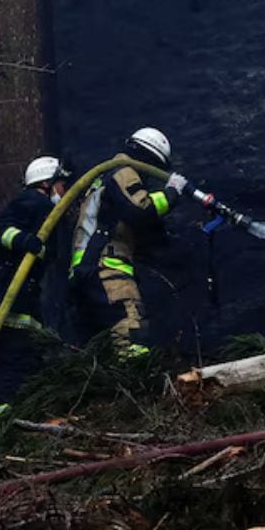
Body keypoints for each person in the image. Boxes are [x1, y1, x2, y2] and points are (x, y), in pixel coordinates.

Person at [69, 127, 189, 360]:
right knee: (129, 328)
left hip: (88, 268)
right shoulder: (123, 171)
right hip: (107, 267)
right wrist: (171, 194)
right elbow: (139, 210)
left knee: (100, 343)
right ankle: (138, 382)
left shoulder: (103, 177)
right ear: (149, 158)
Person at [0, 155, 73, 419]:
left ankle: (6, 418)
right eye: (62, 185)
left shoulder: (41, 208)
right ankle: (3, 421)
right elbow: (1, 230)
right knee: (12, 361)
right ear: (47, 183)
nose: (65, 192)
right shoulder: (33, 202)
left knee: (13, 363)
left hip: (13, 302)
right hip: (4, 301)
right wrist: (25, 241)